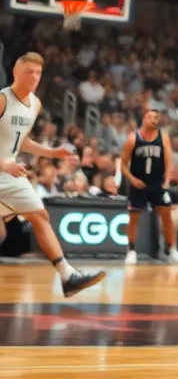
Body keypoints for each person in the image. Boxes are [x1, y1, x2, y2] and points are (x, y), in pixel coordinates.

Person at [0, 52, 105, 297]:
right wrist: (4, 165)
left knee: (39, 216)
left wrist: (51, 152)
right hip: (5, 168)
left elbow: (22, 141)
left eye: (38, 73)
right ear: (16, 72)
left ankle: (68, 276)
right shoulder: (3, 99)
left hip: (10, 173)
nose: (34, 77)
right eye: (29, 72)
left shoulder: (35, 104)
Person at [122, 107, 178, 264]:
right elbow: (123, 164)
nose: (153, 120)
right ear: (144, 119)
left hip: (157, 184)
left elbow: (169, 161)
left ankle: (172, 250)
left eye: (156, 118)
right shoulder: (133, 138)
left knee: (167, 215)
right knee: (133, 217)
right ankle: (131, 251)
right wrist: (132, 179)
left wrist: (167, 180)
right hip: (139, 184)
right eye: (150, 117)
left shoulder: (163, 137)